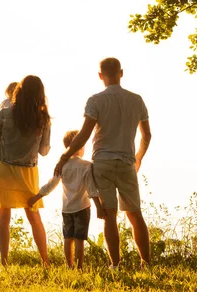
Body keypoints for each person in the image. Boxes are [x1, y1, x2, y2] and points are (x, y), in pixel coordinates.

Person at [54, 57, 152, 269]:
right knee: (135, 214)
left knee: (109, 216)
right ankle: (146, 262)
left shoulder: (95, 101)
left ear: (100, 76)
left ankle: (115, 265)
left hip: (103, 163)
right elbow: (147, 135)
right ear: (121, 73)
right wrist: (139, 157)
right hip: (127, 162)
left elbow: (83, 136)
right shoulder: (137, 100)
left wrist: (64, 156)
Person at [0, 76, 51, 267]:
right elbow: (44, 151)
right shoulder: (43, 119)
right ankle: (45, 262)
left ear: (19, 91)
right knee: (34, 217)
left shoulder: (5, 113)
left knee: (3, 219)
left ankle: (4, 264)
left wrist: (2, 141)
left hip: (4, 169)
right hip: (28, 173)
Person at [27, 130, 104, 269]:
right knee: (80, 240)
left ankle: (69, 266)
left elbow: (51, 184)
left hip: (67, 209)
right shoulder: (86, 165)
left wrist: (36, 197)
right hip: (82, 207)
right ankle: (79, 267)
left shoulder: (62, 165)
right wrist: (99, 207)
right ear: (80, 146)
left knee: (68, 239)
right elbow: (92, 188)